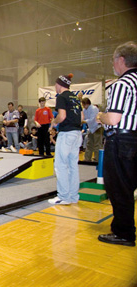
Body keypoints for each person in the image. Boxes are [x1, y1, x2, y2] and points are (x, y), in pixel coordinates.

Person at [96, 41, 137, 247]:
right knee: (130, 185)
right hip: (134, 138)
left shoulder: (122, 85)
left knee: (119, 188)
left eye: (113, 60)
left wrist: (101, 116)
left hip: (121, 141)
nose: (113, 64)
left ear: (121, 60)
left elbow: (113, 119)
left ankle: (124, 232)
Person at [48, 73, 83, 205]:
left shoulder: (61, 97)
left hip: (67, 133)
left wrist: (54, 122)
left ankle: (63, 196)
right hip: (77, 133)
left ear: (59, 84)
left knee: (60, 165)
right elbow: (81, 117)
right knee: (73, 165)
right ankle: (73, 196)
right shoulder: (75, 98)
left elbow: (61, 116)